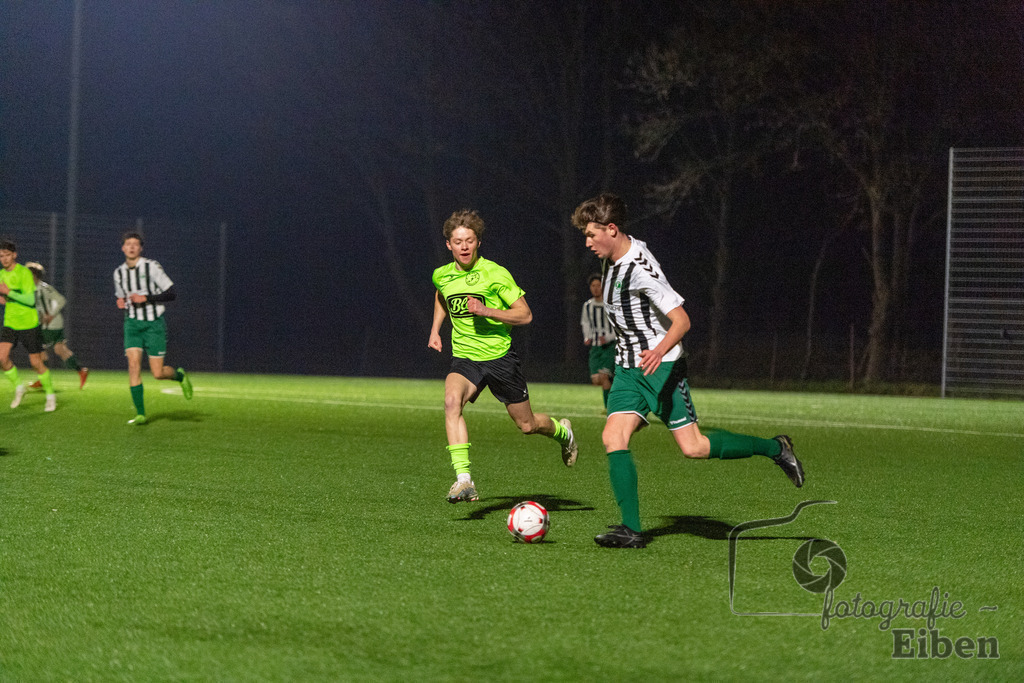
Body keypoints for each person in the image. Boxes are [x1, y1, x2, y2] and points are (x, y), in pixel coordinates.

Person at [571, 193, 805, 549]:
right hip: (628, 369)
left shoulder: (641, 269)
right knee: (612, 437)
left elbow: (682, 321)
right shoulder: (610, 259)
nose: (587, 242)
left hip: (661, 367)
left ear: (612, 229)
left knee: (694, 447)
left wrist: (657, 351)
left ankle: (776, 448)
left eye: (591, 234)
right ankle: (631, 530)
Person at [428, 209, 578, 503]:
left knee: (527, 425)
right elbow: (441, 295)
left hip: (500, 359)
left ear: (478, 242)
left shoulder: (495, 274)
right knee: (450, 401)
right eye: (458, 241)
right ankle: (464, 480)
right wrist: (435, 329)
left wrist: (487, 311)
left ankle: (564, 434)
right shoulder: (441, 275)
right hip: (466, 359)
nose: (464, 247)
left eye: (469, 240)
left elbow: (525, 315)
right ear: (449, 244)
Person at [113, 231, 193, 425]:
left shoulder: (152, 267)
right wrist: (121, 301)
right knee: (133, 366)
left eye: (135, 244)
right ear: (123, 248)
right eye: (128, 244)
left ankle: (179, 376)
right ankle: (140, 414)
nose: (131, 247)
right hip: (132, 324)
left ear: (141, 248)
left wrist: (147, 297)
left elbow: (171, 293)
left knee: (157, 373)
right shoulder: (118, 273)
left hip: (153, 324)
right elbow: (121, 296)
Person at [0, 240, 57, 412]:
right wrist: (4, 299)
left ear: (14, 255)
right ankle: (19, 386)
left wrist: (9, 293)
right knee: (2, 358)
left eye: (7, 255)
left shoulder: (24, 273)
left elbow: (30, 300)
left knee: (35, 363)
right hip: (10, 322)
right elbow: (6, 297)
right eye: (1, 256)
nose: (4, 259)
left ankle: (50, 395)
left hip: (29, 324)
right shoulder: (1, 274)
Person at [24, 262, 90, 390]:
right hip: (52, 324)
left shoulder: (44, 288)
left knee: (35, 350)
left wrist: (50, 314)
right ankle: (81, 370)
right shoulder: (32, 289)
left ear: (34, 275)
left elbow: (61, 300)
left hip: (50, 325)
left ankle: (43, 378)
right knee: (60, 349)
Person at [580, 273, 616, 409]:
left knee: (604, 377)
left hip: (610, 346)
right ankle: (614, 396)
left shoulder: (610, 304)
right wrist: (587, 336)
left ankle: (610, 408)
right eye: (593, 286)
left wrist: (608, 337)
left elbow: (617, 324)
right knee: (596, 380)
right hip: (595, 347)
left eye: (598, 285)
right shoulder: (588, 305)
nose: (595, 288)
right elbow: (585, 322)